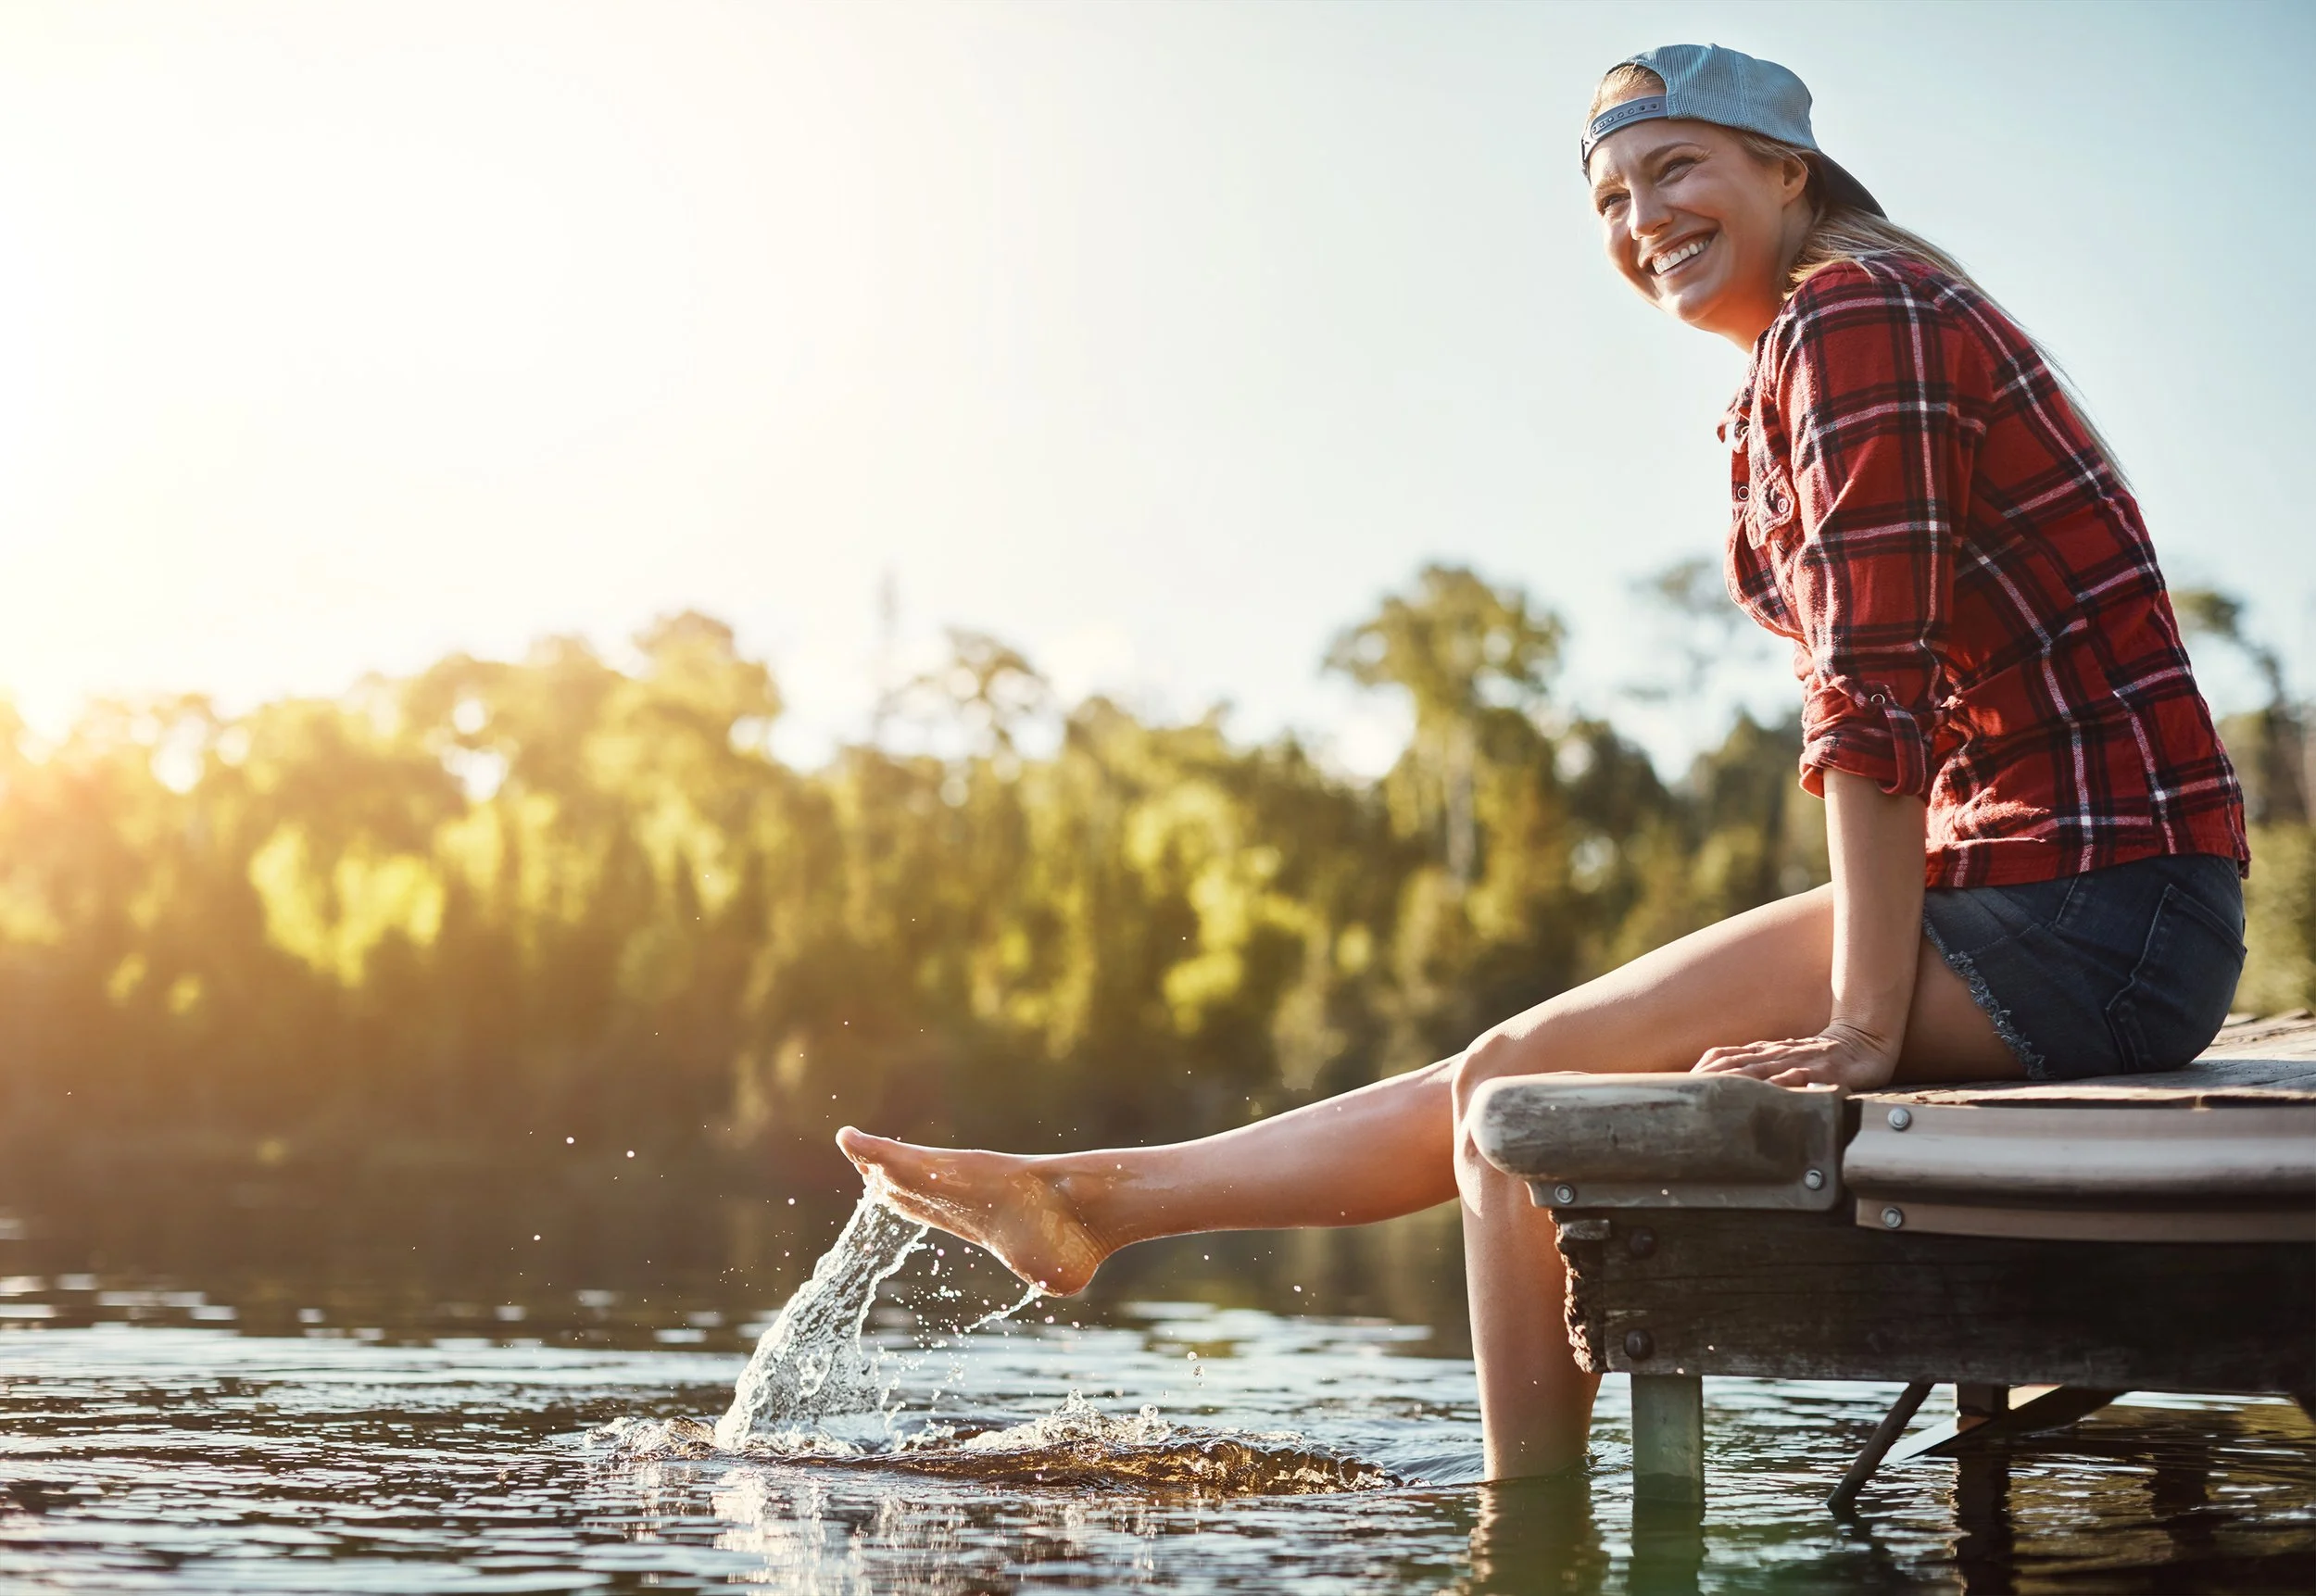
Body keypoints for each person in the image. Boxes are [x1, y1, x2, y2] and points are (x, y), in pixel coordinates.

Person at [837, 44, 2251, 1481]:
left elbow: (1867, 691)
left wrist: (1862, 1023)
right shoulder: (1802, 351)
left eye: (1679, 167)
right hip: (2051, 894)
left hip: (2097, 918)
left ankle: (1529, 1535)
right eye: (1613, 199)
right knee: (1494, 1078)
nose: (1644, 218)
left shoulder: (1857, 312)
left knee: (1520, 1093)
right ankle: (1089, 1199)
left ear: (1787, 169)